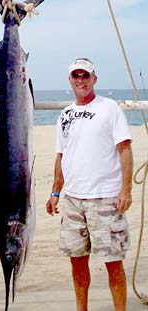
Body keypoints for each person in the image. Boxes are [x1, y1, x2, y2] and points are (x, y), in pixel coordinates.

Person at [46, 58, 133, 311]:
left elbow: (125, 149)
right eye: (76, 75)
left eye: (86, 75)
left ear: (95, 78)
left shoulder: (109, 108)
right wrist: (55, 192)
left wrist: (125, 190)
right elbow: (61, 155)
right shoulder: (64, 115)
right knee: (77, 262)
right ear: (70, 80)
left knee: (113, 262)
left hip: (105, 198)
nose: (81, 80)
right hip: (73, 201)